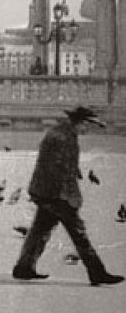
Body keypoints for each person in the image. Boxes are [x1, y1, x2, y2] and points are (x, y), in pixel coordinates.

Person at [12, 106, 123, 286]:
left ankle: (24, 267)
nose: (88, 129)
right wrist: (70, 197)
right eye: (88, 125)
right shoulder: (65, 137)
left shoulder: (61, 132)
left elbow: (57, 162)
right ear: (81, 122)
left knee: (40, 231)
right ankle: (97, 272)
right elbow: (59, 169)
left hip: (46, 191)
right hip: (57, 194)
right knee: (78, 234)